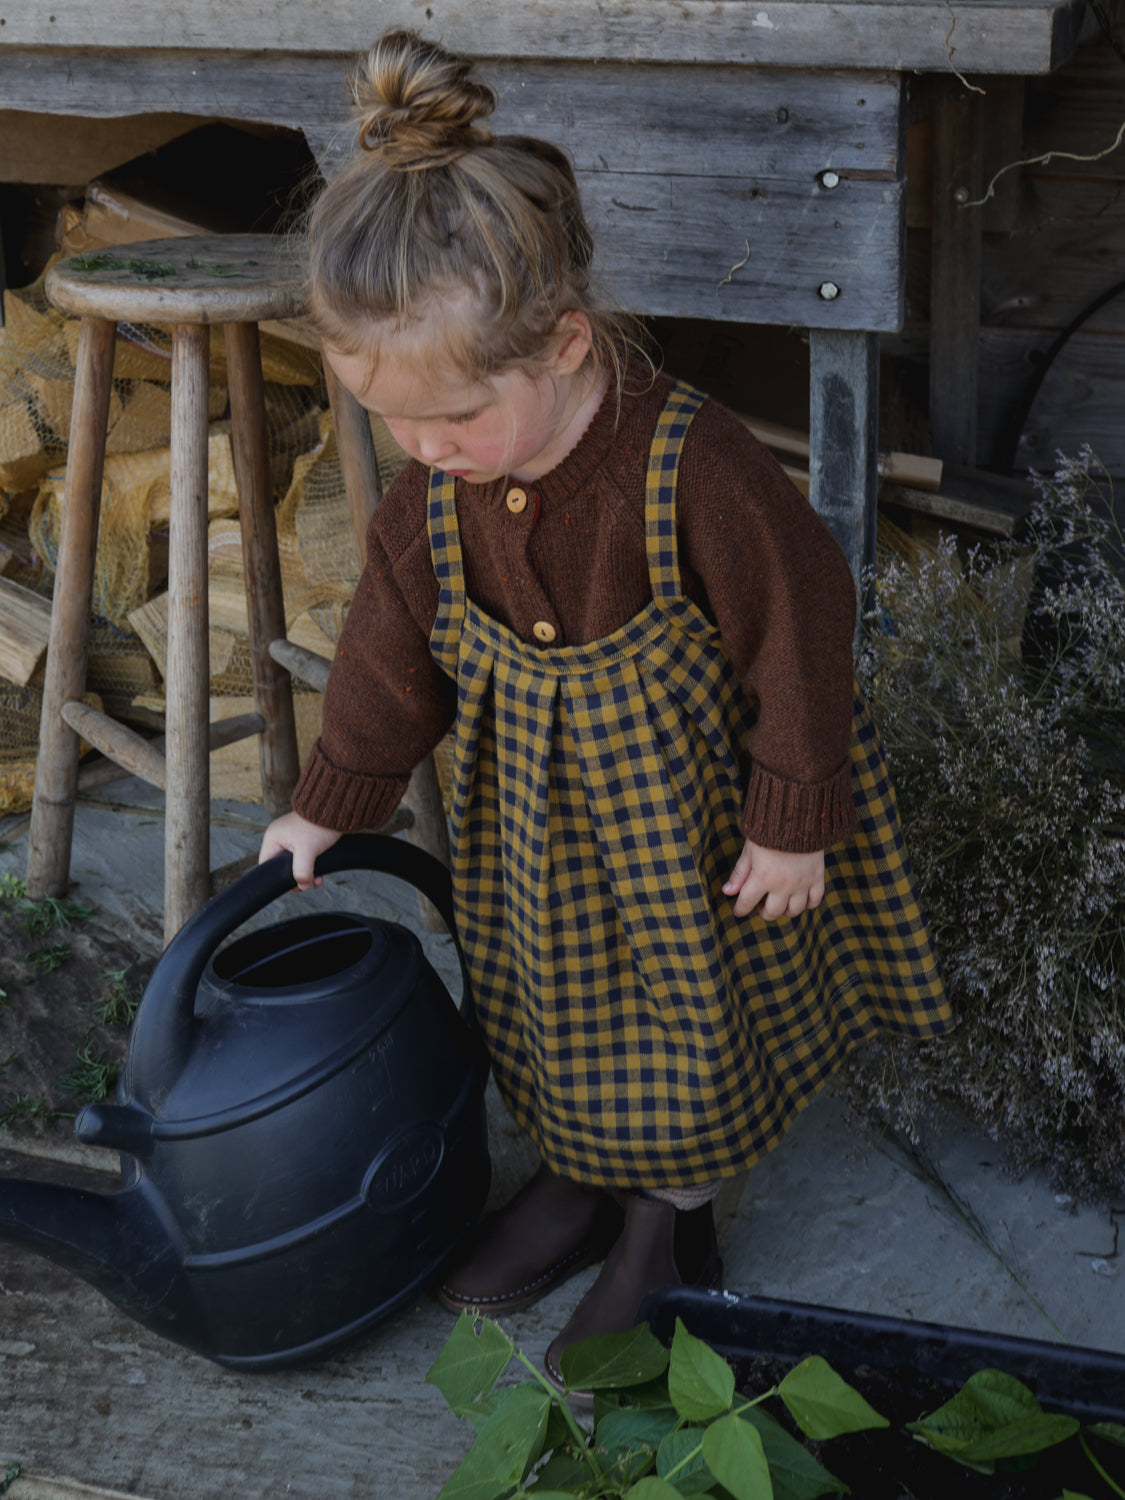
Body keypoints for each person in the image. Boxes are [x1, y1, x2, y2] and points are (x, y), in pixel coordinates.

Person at [259, 28, 952, 1387]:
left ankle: (666, 1231)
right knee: (540, 1004)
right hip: (537, 827)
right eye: (395, 425)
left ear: (563, 343)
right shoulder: (435, 496)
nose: (426, 453)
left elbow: (802, 628)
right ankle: (578, 1180)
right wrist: (324, 804)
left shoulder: (692, 466)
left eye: (451, 418)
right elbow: (387, 655)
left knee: (686, 1027)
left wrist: (793, 818)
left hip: (694, 833)